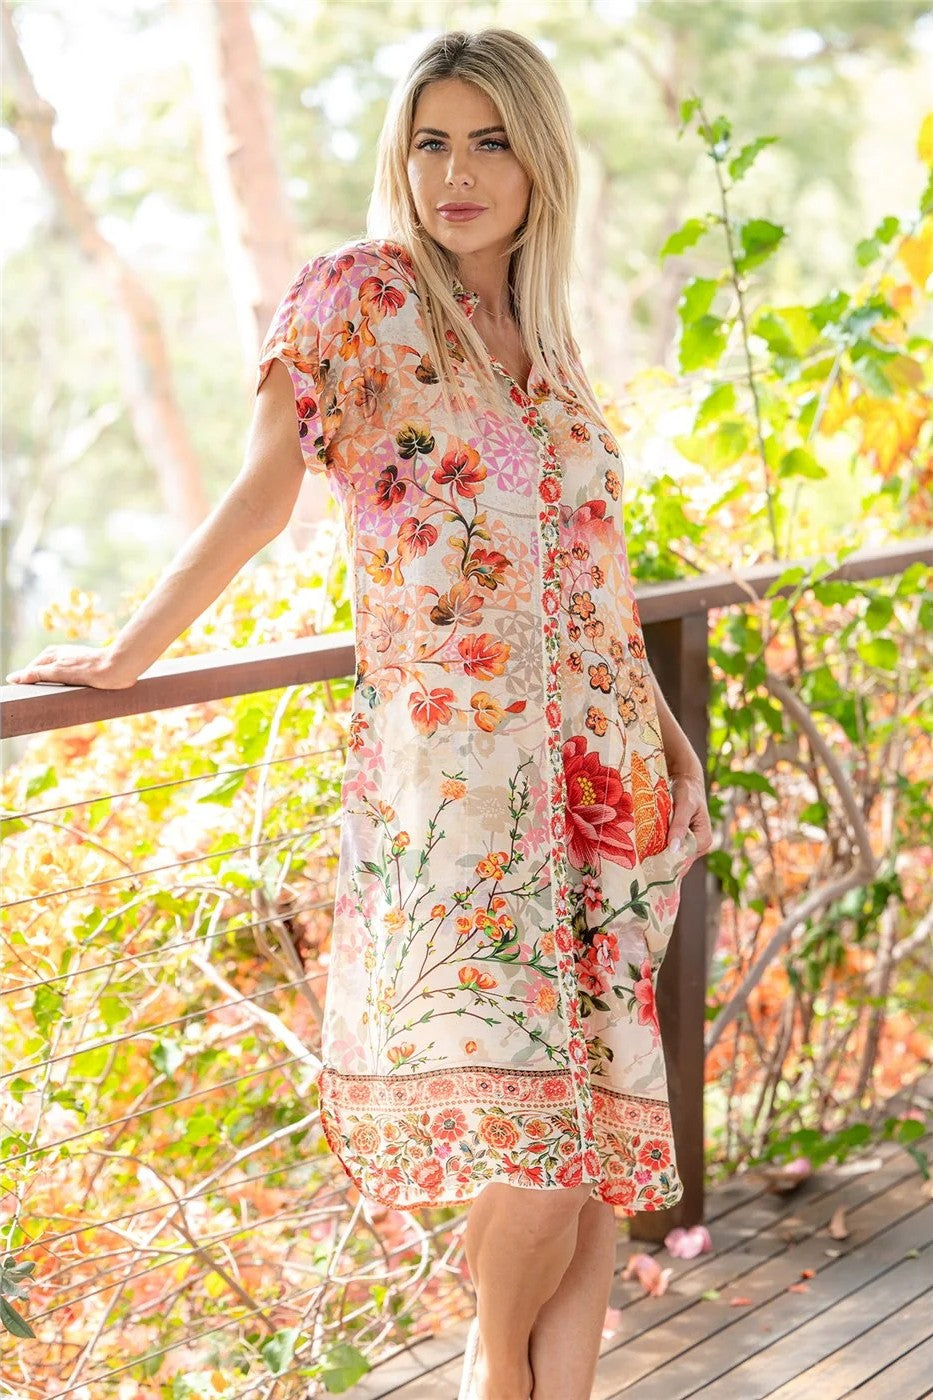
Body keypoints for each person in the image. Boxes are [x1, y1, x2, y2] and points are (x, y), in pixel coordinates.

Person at [6, 27, 713, 1400]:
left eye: (488, 139)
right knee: (538, 1151)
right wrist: (132, 651)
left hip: (611, 790)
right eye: (430, 138)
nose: (454, 170)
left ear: (538, 157)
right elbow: (263, 494)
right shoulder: (357, 299)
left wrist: (672, 747)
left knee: (599, 1162)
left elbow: (594, 574)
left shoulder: (550, 346)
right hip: (456, 795)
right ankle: (480, 1368)